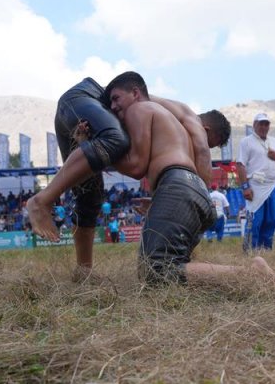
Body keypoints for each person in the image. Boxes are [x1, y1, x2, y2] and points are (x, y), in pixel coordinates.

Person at [27, 73, 226, 279]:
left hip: (80, 109)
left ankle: (83, 271)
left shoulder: (155, 119)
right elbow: (201, 149)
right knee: (114, 140)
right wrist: (203, 196)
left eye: (116, 100)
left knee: (90, 195)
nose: (113, 106)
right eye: (210, 142)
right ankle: (41, 201)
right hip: (84, 98)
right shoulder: (175, 115)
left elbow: (136, 165)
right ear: (206, 129)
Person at [107, 75, 275, 286]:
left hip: (183, 188)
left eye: (116, 99)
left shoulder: (185, 119)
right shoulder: (172, 115)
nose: (204, 147)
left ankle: (252, 273)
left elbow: (202, 151)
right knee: (156, 268)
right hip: (180, 190)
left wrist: (200, 195)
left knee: (158, 270)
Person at [236, 113, 275, 252]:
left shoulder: (274, 141)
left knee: (272, 219)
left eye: (266, 124)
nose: (264, 127)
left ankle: (266, 251)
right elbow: (240, 164)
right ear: (254, 125)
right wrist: (245, 187)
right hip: (255, 186)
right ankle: (250, 253)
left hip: (272, 185)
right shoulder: (246, 141)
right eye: (261, 124)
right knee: (255, 221)